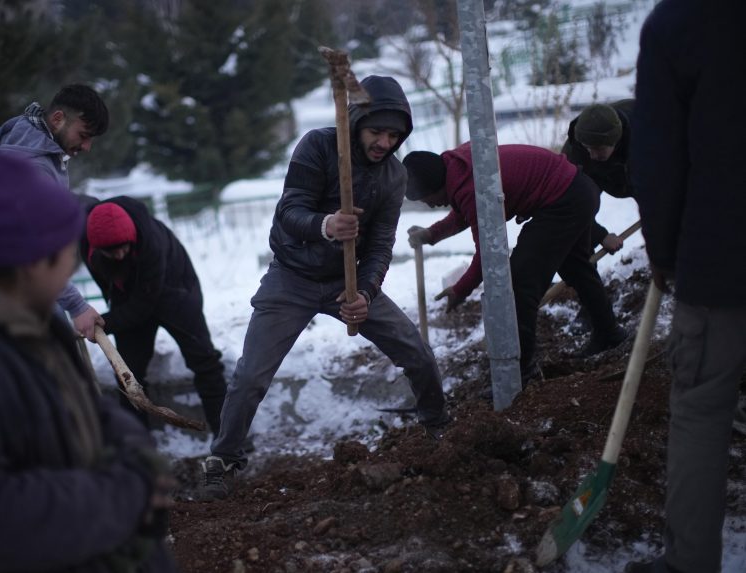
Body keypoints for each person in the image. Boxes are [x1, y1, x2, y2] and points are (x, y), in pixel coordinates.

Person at [0, 152, 178, 572]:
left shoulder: (34, 326)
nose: (71, 270)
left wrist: (138, 454)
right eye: (66, 255)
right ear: (34, 259)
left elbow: (89, 411)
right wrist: (123, 494)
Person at [201, 75, 448, 499]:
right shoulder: (318, 146)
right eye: (376, 132)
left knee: (418, 353)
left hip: (345, 280)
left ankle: (439, 429)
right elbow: (288, 212)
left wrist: (365, 294)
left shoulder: (393, 176)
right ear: (355, 122)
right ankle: (223, 461)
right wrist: (327, 224)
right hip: (291, 277)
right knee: (249, 378)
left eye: (394, 135)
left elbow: (381, 245)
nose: (384, 143)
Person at [625, 1, 746, 571]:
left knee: (701, 406)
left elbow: (658, 158)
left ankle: (690, 563)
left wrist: (667, 255)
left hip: (722, 256)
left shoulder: (683, 21)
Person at [404, 144, 626, 384]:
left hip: (563, 200)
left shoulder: (472, 187)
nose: (427, 204)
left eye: (425, 198)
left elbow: (488, 253)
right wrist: (431, 234)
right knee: (577, 269)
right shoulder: (456, 167)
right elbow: (464, 212)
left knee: (519, 285)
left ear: (435, 185)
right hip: (575, 189)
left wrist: (461, 289)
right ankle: (609, 333)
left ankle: (520, 372)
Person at [79, 196, 228, 433]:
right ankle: (140, 451)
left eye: (122, 249)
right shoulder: (86, 240)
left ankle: (228, 440)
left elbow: (144, 304)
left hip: (174, 290)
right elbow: (106, 282)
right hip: (127, 296)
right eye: (110, 252)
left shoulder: (151, 242)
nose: (117, 255)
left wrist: (105, 322)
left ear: (132, 240)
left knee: (205, 361)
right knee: (127, 375)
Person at [0, 84, 109, 341]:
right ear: (57, 119)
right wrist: (77, 305)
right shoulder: (31, 168)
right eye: (83, 135)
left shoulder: (38, 152)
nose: (87, 147)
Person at [562, 99, 634, 254]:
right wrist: (600, 236)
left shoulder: (645, 127)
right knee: (577, 237)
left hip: (641, 170)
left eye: (598, 148)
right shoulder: (575, 154)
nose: (593, 155)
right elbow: (572, 206)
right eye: (588, 148)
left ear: (615, 140)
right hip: (596, 177)